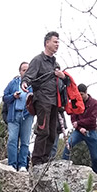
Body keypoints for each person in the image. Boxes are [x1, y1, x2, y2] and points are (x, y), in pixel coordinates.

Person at [23, 31, 68, 166]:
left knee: (53, 133)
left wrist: (63, 77)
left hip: (55, 102)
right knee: (43, 130)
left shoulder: (56, 64)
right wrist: (25, 83)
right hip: (42, 100)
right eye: (55, 42)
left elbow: (63, 84)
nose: (57, 45)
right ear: (47, 43)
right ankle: (36, 161)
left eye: (58, 42)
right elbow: (29, 76)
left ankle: (46, 161)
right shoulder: (38, 60)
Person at [61, 83, 97, 173]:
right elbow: (73, 118)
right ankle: (63, 167)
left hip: (91, 131)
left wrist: (79, 123)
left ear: (86, 93)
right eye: (79, 94)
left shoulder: (95, 103)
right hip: (78, 131)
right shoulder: (75, 102)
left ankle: (96, 174)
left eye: (81, 94)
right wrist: (79, 127)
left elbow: (92, 119)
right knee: (68, 145)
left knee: (95, 157)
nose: (80, 97)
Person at [3, 62, 33, 172]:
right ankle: (12, 164)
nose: (25, 72)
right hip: (14, 114)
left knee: (25, 141)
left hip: (27, 115)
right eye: (23, 70)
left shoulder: (33, 85)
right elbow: (5, 98)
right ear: (20, 71)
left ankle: (23, 165)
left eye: (28, 70)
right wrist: (13, 96)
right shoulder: (13, 83)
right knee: (12, 140)